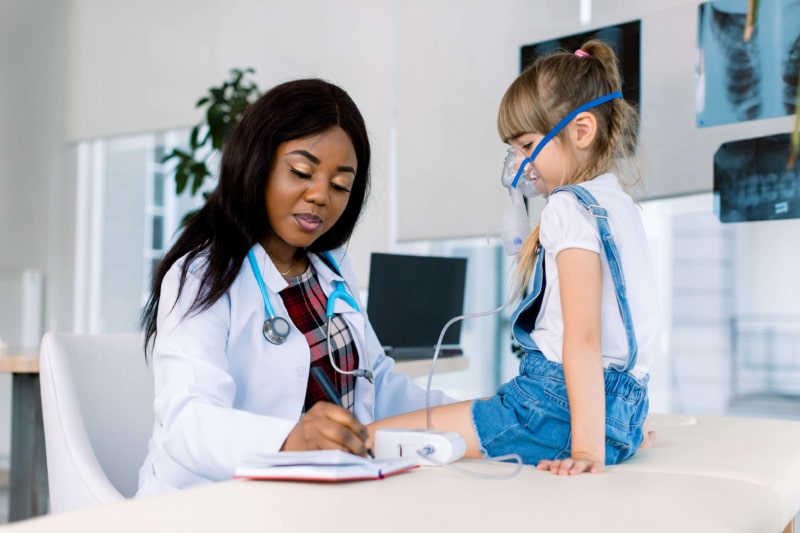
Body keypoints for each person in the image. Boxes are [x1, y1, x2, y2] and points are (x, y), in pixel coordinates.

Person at [137, 78, 454, 496]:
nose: (322, 195)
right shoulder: (201, 274)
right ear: (257, 162)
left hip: (317, 495)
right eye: (302, 172)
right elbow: (188, 419)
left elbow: (379, 383)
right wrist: (289, 440)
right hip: (212, 503)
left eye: (341, 185)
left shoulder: (330, 270)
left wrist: (479, 414)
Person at [369, 40, 659, 475]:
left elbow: (582, 339)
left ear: (581, 131)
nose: (519, 164)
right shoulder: (619, 204)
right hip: (623, 414)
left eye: (526, 145)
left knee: (370, 438)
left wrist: (586, 452)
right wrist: (610, 431)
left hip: (552, 411)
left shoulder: (567, 206)